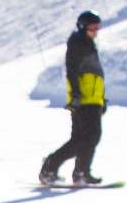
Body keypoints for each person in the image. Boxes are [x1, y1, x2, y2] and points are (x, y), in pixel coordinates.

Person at [41, 11, 109, 185]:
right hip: (83, 99)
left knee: (83, 139)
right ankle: (56, 167)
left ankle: (77, 172)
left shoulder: (88, 44)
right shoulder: (78, 43)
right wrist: (76, 95)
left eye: (98, 27)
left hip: (92, 99)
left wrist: (101, 99)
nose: (96, 31)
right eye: (93, 27)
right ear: (83, 27)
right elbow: (72, 71)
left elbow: (96, 75)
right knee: (87, 138)